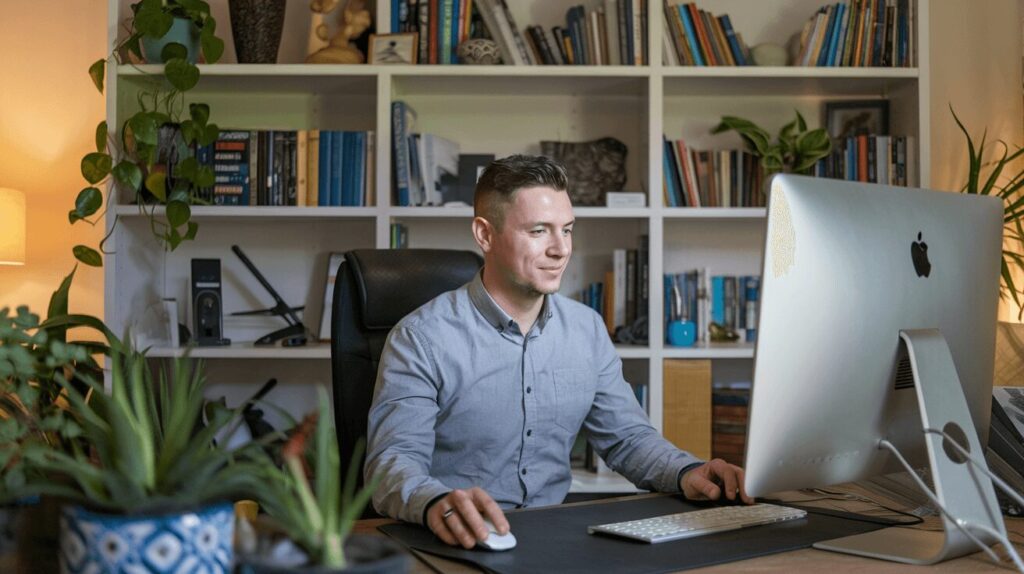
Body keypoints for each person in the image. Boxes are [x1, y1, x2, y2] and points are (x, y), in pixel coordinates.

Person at [365, 154, 751, 549]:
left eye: (566, 230)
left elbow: (627, 439)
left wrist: (689, 472)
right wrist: (436, 503)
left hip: (553, 540)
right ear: (485, 234)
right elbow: (392, 464)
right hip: (453, 541)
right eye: (539, 231)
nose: (560, 249)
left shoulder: (586, 328)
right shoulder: (420, 338)